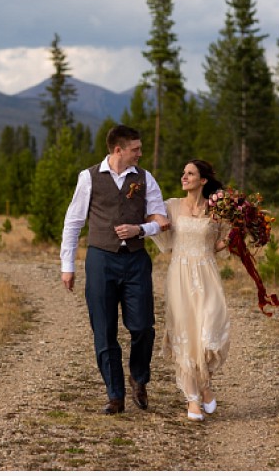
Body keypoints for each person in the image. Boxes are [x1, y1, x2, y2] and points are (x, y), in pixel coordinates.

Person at [60, 124, 168, 415]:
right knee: (104, 330)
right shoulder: (89, 177)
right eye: (135, 149)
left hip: (135, 260)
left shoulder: (145, 178)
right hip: (100, 260)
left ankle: (139, 377)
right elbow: (73, 222)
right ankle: (115, 395)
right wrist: (67, 266)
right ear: (118, 149)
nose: (140, 153)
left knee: (143, 326)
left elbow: (162, 220)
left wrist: (140, 229)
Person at [153, 159, 230, 422]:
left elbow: (219, 243)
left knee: (209, 328)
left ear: (203, 180)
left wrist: (234, 237)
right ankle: (193, 398)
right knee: (186, 333)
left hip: (207, 274)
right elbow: (158, 229)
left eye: (190, 173)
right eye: (183, 172)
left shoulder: (216, 209)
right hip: (180, 276)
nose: (184, 176)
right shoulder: (172, 206)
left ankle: (205, 383)